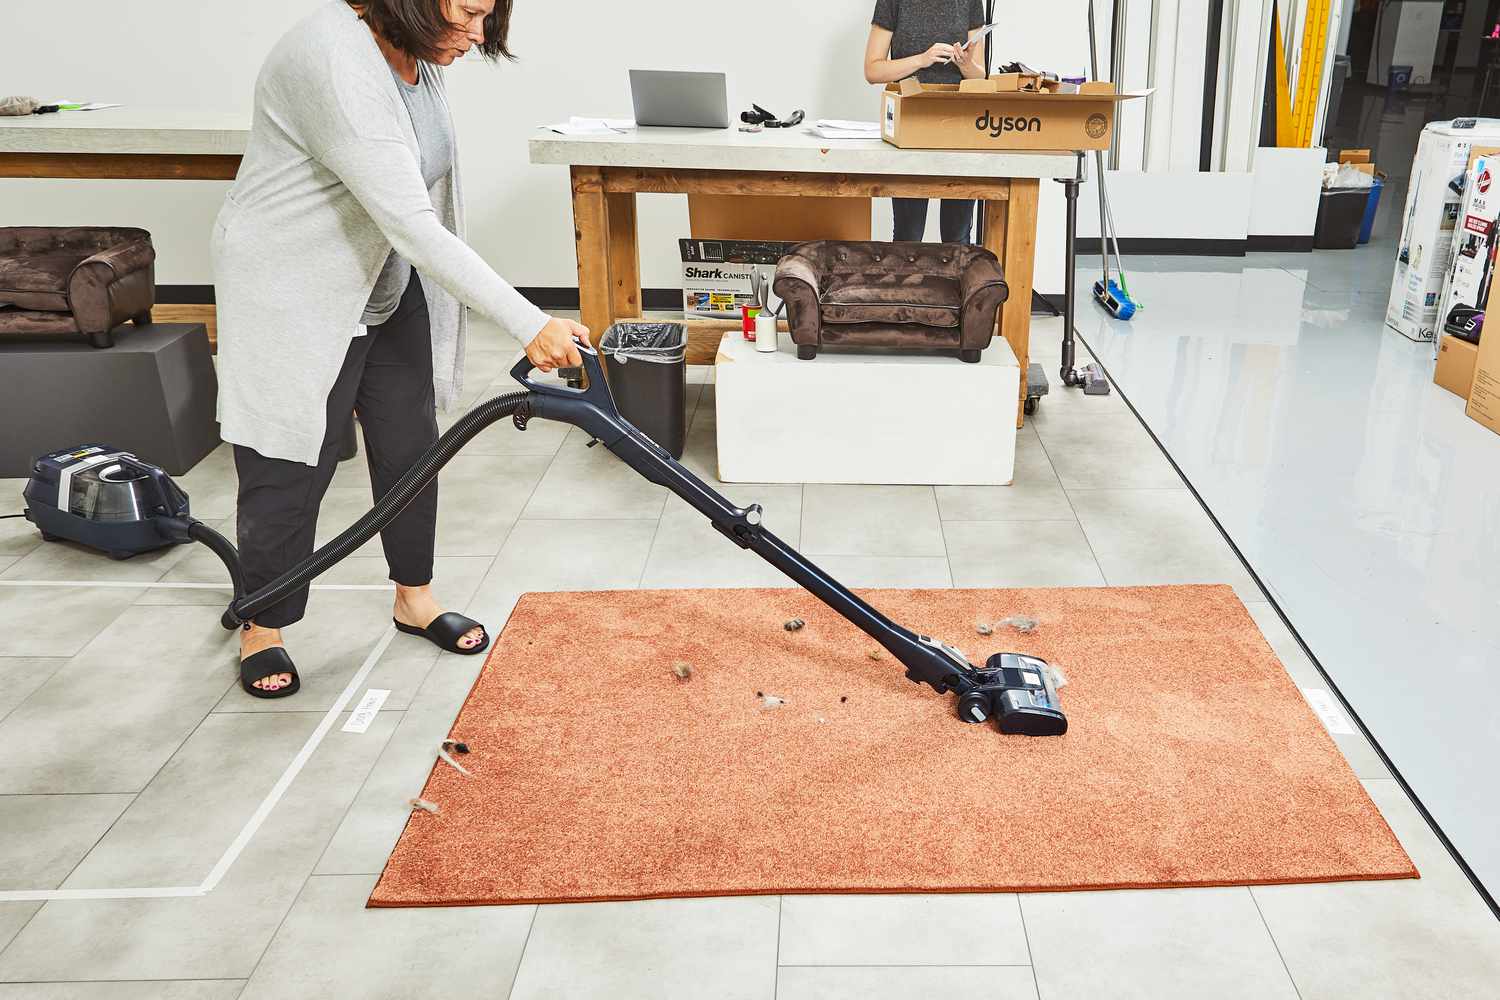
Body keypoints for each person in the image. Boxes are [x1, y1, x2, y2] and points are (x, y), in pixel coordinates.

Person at [212, 0, 588, 698]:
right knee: (292, 461)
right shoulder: (335, 60)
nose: (480, 35)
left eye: (490, 15)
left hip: (380, 278)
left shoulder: (416, 52)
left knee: (411, 443)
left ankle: (413, 597)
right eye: (470, 13)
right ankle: (263, 626)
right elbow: (412, 219)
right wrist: (528, 320)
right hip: (293, 287)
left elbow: (424, 192)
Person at [864, 0, 989, 243]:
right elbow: (873, 70)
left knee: (958, 236)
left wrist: (966, 64)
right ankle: (906, 281)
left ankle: (955, 281)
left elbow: (980, 74)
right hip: (911, 125)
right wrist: (922, 59)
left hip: (960, 126)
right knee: (908, 233)